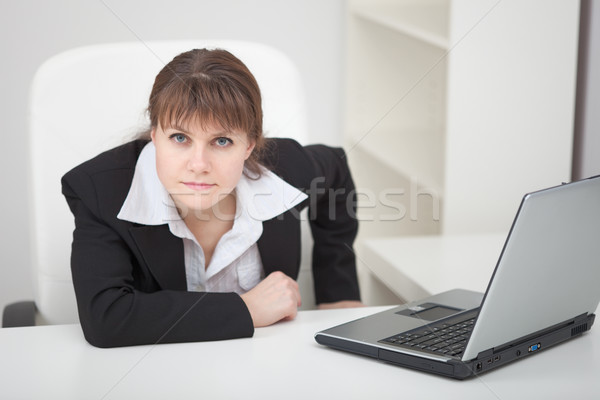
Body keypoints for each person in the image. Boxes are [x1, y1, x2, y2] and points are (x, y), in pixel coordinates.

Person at [61, 48, 362, 348]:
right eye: (180, 138)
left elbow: (336, 170)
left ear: (248, 146)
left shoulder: (287, 169)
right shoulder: (99, 190)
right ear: (155, 135)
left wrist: (338, 292)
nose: (199, 164)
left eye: (221, 141)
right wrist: (247, 309)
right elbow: (107, 319)